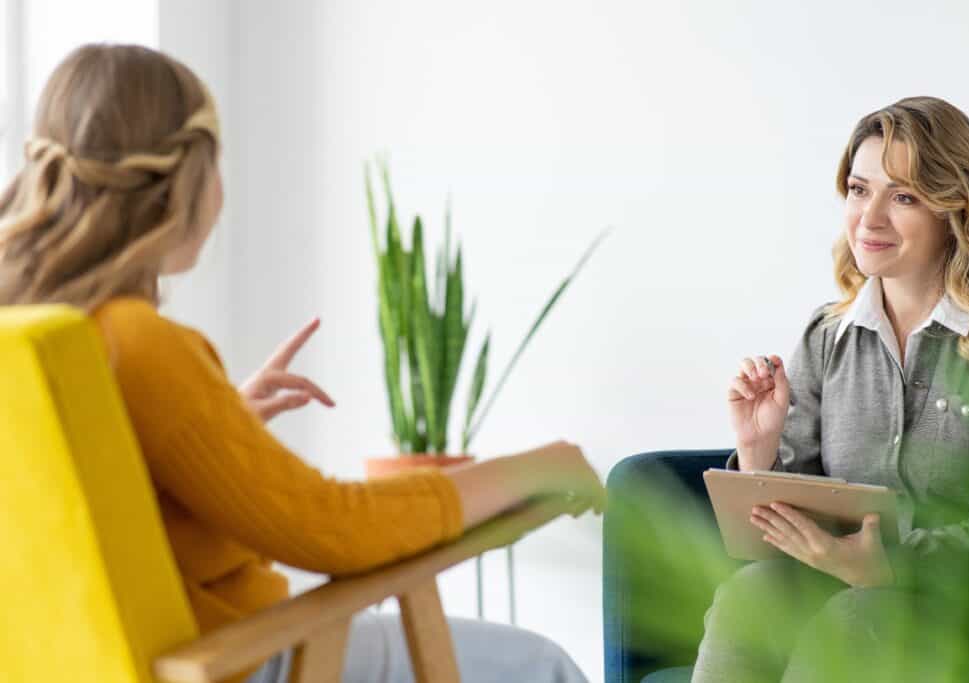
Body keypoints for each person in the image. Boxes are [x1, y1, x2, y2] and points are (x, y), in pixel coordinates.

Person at [0, 44, 604, 683]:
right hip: (238, 662)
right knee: (539, 665)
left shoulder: (37, 337)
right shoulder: (136, 340)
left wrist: (217, 425)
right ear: (183, 180)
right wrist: (533, 469)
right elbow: (332, 527)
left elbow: (105, 523)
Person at [696, 96, 969, 682]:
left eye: (903, 197)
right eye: (857, 189)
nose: (869, 219)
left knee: (860, 615)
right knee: (750, 597)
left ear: (954, 209)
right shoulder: (827, 336)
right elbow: (776, 528)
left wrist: (885, 564)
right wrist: (759, 450)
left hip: (968, 604)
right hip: (834, 583)